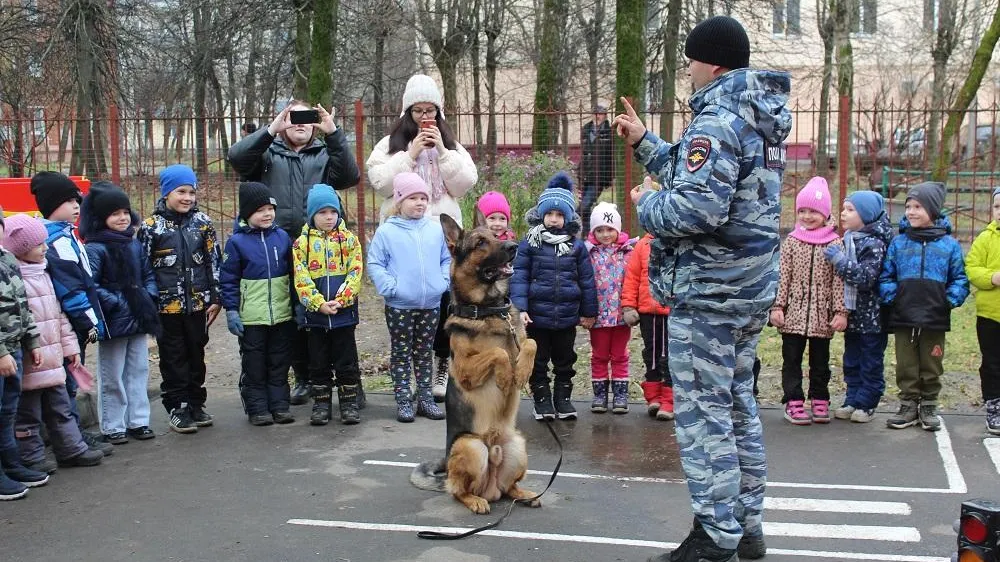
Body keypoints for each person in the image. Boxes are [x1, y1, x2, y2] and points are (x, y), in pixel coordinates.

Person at [614, 15, 791, 562]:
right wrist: (646, 142)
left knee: (704, 417)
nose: (686, 70)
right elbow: (700, 176)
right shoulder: (756, 117)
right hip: (748, 289)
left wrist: (647, 207)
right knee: (737, 408)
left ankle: (715, 535)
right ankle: (747, 526)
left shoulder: (717, 120)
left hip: (711, 291)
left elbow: (696, 206)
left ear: (710, 63)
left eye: (689, 60)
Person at [228, 100, 360, 405]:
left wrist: (333, 133)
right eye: (293, 117)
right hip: (273, 244)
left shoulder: (325, 153)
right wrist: (273, 129)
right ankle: (296, 376)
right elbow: (236, 158)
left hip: (319, 248)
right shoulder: (266, 152)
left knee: (319, 315)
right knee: (287, 316)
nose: (300, 123)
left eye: (307, 118)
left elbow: (350, 176)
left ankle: (332, 381)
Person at [366, 74, 478, 404]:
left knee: (443, 303)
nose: (425, 117)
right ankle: (408, 374)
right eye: (418, 111)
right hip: (403, 239)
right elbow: (380, 182)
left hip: (441, 239)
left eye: (431, 110)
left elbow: (465, 183)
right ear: (408, 112)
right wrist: (410, 154)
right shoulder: (389, 145)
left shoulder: (451, 145)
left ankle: (441, 364)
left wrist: (442, 152)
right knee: (408, 309)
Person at [3, 215, 104, 472]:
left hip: (54, 359)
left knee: (61, 408)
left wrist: (70, 348)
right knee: (28, 415)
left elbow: (59, 316)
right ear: (22, 248)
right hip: (32, 362)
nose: (45, 248)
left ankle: (71, 449)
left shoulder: (45, 272)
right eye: (39, 244)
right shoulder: (15, 280)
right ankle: (32, 457)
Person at [30, 172, 114, 457]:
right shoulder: (54, 241)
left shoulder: (67, 234)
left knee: (70, 379)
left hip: (71, 325)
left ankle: (72, 433)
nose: (77, 205)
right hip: (67, 325)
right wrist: (87, 320)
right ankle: (67, 438)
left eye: (77, 199)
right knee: (64, 382)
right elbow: (71, 286)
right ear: (51, 204)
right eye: (68, 200)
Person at [880, 182, 969, 432]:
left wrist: (948, 301)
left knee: (931, 363)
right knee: (906, 363)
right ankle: (908, 404)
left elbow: (960, 279)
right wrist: (894, 297)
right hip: (904, 315)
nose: (910, 211)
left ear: (933, 209)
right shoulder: (899, 243)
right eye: (908, 206)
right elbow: (886, 276)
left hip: (934, 316)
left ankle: (929, 403)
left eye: (918, 206)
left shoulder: (949, 245)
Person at [139, 165, 222, 434]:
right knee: (173, 358)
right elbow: (144, 267)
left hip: (198, 304)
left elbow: (214, 262)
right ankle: (178, 406)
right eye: (181, 191)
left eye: (191, 192)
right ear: (166, 193)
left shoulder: (203, 224)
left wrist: (215, 296)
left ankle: (196, 404)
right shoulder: (151, 228)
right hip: (167, 307)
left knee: (196, 355)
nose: (187, 197)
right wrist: (149, 301)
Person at [511, 172, 597, 422]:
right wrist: (520, 308)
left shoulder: (576, 246)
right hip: (537, 316)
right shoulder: (530, 243)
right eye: (549, 214)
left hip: (567, 316)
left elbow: (587, 280)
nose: (554, 219)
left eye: (560, 215)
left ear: (568, 217)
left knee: (565, 359)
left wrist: (589, 312)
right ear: (541, 215)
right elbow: (520, 276)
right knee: (538, 360)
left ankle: (563, 397)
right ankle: (542, 399)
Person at [367, 173, 450, 423]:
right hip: (400, 305)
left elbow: (446, 259)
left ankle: (425, 399)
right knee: (402, 353)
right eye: (413, 198)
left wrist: (442, 283)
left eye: (423, 198)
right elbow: (375, 263)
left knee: (424, 353)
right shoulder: (387, 232)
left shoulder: (435, 231)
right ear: (399, 201)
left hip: (431, 304)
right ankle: (404, 400)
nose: (420, 203)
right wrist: (390, 287)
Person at [81, 182, 160, 443]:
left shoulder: (133, 243)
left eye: (125, 212)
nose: (122, 218)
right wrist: (118, 301)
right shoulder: (95, 248)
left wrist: (147, 295)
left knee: (138, 371)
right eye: (115, 214)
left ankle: (138, 421)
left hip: (138, 316)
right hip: (113, 320)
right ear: (101, 218)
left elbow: (148, 273)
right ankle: (113, 425)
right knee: (112, 374)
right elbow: (90, 284)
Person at [769, 178, 848, 425]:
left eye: (813, 211)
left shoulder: (835, 243)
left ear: (825, 214)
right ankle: (793, 400)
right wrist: (777, 307)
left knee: (820, 361)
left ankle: (820, 398)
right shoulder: (792, 241)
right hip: (794, 312)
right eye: (802, 210)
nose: (806, 216)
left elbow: (839, 281)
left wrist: (841, 312)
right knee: (791, 359)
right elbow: (783, 277)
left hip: (822, 314)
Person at [220, 182, 296, 427]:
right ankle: (257, 407)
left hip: (281, 315)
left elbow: (295, 275)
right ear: (247, 214)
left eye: (270, 209)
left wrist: (297, 306)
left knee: (279, 361)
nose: (267, 214)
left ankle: (280, 405)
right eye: (260, 210)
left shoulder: (282, 237)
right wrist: (231, 310)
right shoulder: (237, 243)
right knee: (254, 363)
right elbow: (228, 280)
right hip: (252, 318)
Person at [292, 184, 364, 426]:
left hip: (344, 315)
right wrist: (318, 303)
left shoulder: (349, 241)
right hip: (316, 316)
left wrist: (342, 300)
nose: (329, 217)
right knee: (318, 362)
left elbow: (355, 272)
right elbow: (300, 278)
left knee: (347, 361)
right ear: (312, 214)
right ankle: (321, 403)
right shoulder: (301, 244)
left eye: (332, 212)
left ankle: (349, 403)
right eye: (322, 212)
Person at [823, 190, 893, 423]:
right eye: (843, 208)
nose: (843, 214)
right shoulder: (850, 239)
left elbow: (866, 278)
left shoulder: (874, 243)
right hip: (852, 314)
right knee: (851, 359)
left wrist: (840, 261)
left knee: (870, 361)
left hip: (872, 316)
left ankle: (867, 402)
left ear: (867, 214)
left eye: (850, 210)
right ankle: (852, 397)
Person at [0, 212, 48, 500]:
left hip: (14, 348)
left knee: (7, 412)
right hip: (3, 352)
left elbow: (21, 303)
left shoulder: (6, 259)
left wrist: (33, 341)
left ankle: (11, 464)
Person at [622, 178, 674, 421]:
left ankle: (670, 400)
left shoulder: (676, 242)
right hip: (647, 312)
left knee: (672, 356)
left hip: (672, 312)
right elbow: (631, 278)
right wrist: (629, 306)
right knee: (651, 353)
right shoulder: (642, 246)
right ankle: (653, 397)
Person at [586, 202, 633, 414]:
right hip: (598, 316)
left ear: (618, 229)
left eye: (609, 229)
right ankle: (600, 394)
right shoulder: (589, 254)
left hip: (622, 315)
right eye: (600, 230)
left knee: (620, 354)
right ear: (593, 231)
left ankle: (621, 394)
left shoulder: (628, 252)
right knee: (599, 355)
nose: (605, 234)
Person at [965, 186, 1000, 435]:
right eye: (998, 206)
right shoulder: (986, 239)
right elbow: (972, 268)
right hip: (990, 315)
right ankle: (994, 404)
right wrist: (992, 277)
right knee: (992, 363)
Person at [579, 103, 614, 233]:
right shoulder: (586, 129)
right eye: (595, 114)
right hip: (585, 175)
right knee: (585, 207)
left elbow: (611, 155)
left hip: (600, 175)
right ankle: (587, 233)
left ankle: (587, 232)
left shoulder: (609, 131)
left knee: (584, 207)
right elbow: (583, 153)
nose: (597, 116)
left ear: (604, 116)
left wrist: (610, 177)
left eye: (600, 114)